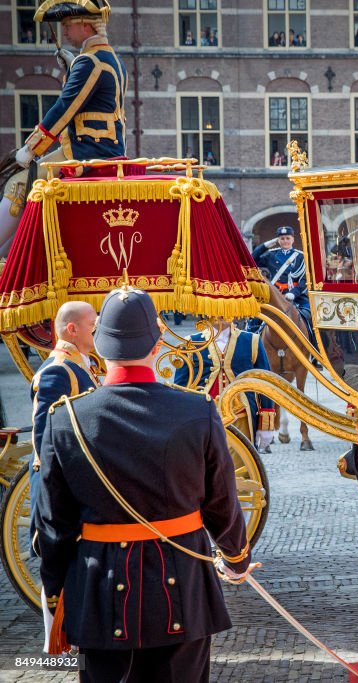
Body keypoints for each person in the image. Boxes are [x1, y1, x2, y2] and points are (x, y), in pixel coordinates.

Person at [33, 286, 253, 680]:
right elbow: (222, 501)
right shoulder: (197, 410)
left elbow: (52, 525)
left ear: (99, 347)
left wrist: (55, 591)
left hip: (98, 590)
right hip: (181, 587)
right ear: (156, 345)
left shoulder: (64, 418)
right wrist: (235, 558)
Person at [1, 0, 125, 252]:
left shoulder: (90, 62)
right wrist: (72, 67)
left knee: (18, 184)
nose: (64, 30)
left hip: (85, 154)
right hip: (99, 151)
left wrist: (32, 148)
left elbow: (64, 109)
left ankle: (12, 258)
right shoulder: (110, 58)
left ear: (86, 26)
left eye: (69, 24)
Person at [29, 302, 100, 561]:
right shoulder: (58, 371)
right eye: (92, 326)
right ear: (72, 329)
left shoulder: (79, 364)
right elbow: (44, 438)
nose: (97, 331)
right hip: (66, 484)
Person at [172, 320, 277, 452]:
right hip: (203, 419)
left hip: (241, 418)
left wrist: (265, 424)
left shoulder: (252, 341)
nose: (221, 314)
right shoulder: (190, 343)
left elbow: (265, 383)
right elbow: (180, 387)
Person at [251, 226, 310, 331]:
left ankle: (314, 342)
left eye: (287, 238)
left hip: (296, 296)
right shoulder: (272, 255)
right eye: (282, 239)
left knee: (310, 314)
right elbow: (251, 259)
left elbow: (305, 280)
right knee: (256, 317)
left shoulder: (301, 257)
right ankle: (252, 340)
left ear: (293, 239)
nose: (285, 241)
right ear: (278, 240)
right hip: (275, 295)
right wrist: (265, 246)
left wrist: (294, 293)